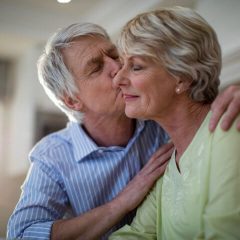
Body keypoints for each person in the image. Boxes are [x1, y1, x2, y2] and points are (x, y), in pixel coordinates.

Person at [7, 22, 240, 240]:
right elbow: (22, 233)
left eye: (114, 54)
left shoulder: (159, 119)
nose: (118, 68)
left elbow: (197, 104)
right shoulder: (51, 156)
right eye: (97, 68)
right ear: (72, 101)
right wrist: (120, 203)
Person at [111, 6, 240, 239]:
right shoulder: (169, 160)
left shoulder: (230, 131)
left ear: (183, 76)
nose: (118, 79)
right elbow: (136, 234)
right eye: (121, 65)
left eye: (136, 66)